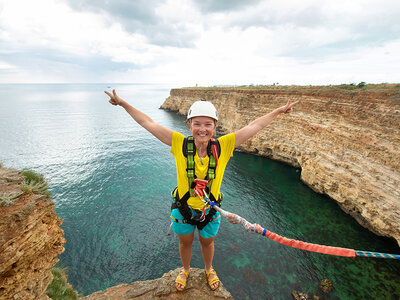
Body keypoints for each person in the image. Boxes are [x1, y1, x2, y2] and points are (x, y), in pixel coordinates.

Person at [105, 89, 299, 291]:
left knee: (207, 243)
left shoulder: (224, 146)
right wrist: (123, 103)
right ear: (189, 124)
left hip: (210, 210)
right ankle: (186, 270)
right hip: (183, 209)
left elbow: (254, 126)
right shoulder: (179, 143)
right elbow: (148, 123)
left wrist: (277, 111)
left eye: (208, 124)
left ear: (215, 126)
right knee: (185, 243)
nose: (202, 129)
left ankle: (208, 269)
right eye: (197, 124)